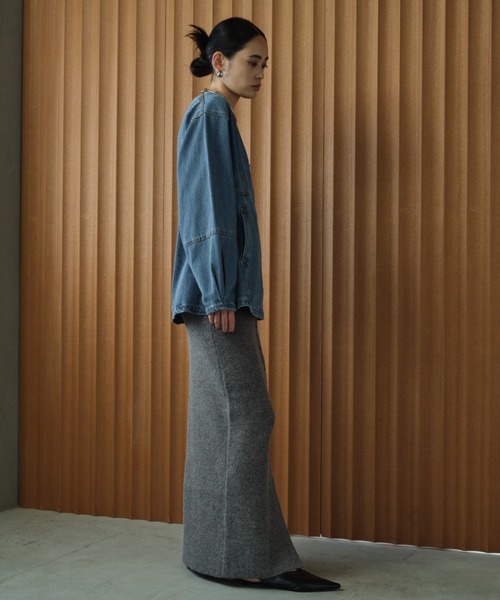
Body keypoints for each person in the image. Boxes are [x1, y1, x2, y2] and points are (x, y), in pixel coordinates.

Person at [171, 17, 341, 593]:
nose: (261, 72)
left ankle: (215, 551)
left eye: (265, 63)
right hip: (217, 297)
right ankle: (246, 559)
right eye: (253, 61)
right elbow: (205, 209)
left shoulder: (217, 115)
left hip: (219, 294)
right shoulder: (211, 115)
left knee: (219, 421)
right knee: (245, 417)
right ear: (220, 62)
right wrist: (219, 290)